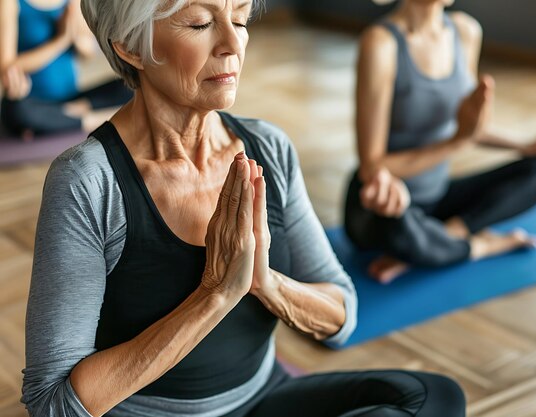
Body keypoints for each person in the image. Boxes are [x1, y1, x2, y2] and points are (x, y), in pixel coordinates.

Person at [21, 1, 466, 416]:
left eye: (239, 19)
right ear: (131, 48)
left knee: (433, 398)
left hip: (263, 397)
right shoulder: (88, 180)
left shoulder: (267, 148)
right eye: (199, 24)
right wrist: (213, 295)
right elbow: (52, 401)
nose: (233, 46)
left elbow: (342, 314)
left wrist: (266, 283)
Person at [344, 0, 536, 283]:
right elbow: (371, 167)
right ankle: (481, 246)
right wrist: (458, 142)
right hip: (382, 209)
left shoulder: (465, 31)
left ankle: (442, 240)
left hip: (436, 197)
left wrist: (529, 145)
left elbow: (471, 129)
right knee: (401, 234)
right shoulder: (381, 44)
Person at [0, 0, 132, 138]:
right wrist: (61, 40)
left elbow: (88, 53)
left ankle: (63, 115)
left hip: (73, 100)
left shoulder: (71, 2)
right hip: (30, 103)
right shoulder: (10, 3)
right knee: (17, 111)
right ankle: (97, 119)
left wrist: (76, 35)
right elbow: (7, 67)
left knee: (130, 85)